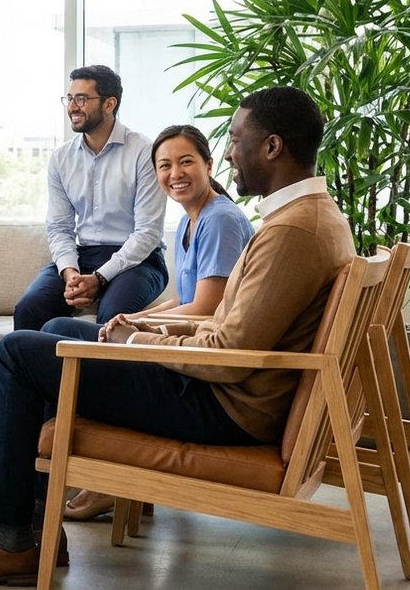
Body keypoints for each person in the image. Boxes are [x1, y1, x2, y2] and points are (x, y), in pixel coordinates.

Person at [0, 86, 354, 585]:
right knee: (57, 329)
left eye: (235, 139)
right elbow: (231, 325)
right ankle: (35, 527)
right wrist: (149, 328)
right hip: (228, 393)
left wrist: (137, 342)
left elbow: (228, 356)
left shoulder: (292, 231)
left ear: (272, 147)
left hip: (223, 404)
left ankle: (13, 539)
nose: (230, 152)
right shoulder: (306, 218)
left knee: (16, 351)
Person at [47, 124, 255, 521]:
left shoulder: (221, 220)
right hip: (190, 346)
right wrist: (138, 317)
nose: (175, 173)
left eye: (186, 162)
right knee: (59, 329)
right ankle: (101, 475)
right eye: (165, 165)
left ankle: (101, 477)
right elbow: (186, 298)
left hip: (200, 366)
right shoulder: (190, 221)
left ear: (209, 165)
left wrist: (145, 331)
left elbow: (208, 309)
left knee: (62, 337)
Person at [13, 65, 167, 330]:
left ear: (109, 104)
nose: (72, 107)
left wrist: (100, 277)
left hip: (139, 260)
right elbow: (60, 227)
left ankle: (90, 373)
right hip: (83, 255)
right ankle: (43, 372)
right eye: (70, 98)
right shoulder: (61, 159)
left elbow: (147, 232)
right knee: (28, 308)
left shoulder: (144, 151)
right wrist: (71, 273)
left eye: (82, 99)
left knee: (112, 317)